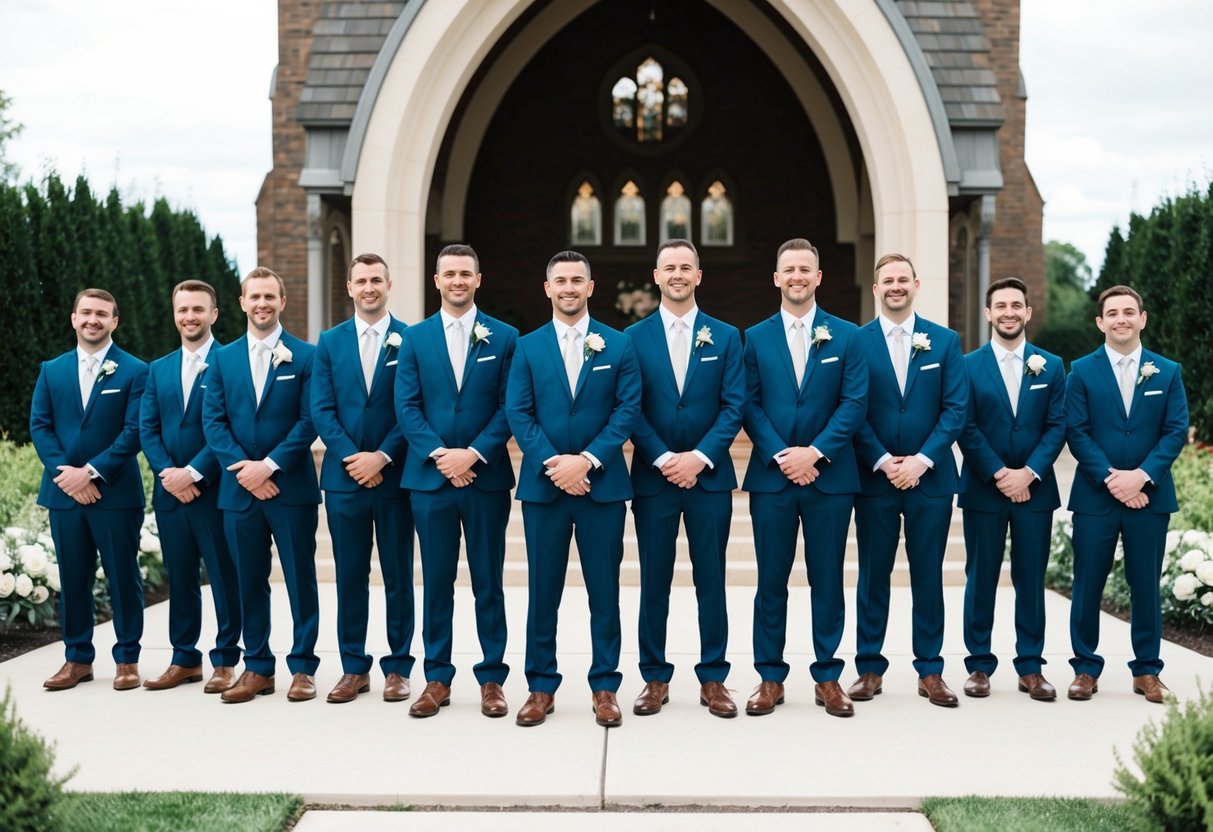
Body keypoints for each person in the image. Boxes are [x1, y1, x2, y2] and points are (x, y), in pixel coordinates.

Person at [505, 250, 641, 727]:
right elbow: (518, 413)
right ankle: (540, 687)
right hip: (545, 491)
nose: (568, 287)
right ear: (547, 288)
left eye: (576, 280)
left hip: (601, 488)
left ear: (590, 287)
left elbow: (626, 412)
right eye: (560, 280)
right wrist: (554, 464)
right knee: (544, 591)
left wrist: (585, 461)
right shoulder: (526, 346)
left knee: (604, 592)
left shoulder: (618, 345)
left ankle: (605, 686)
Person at [741, 239, 868, 718]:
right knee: (771, 581)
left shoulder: (848, 336)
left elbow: (853, 403)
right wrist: (780, 454)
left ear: (819, 278)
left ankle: (828, 677)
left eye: (805, 270)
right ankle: (769, 678)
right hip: (772, 481)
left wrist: (814, 453)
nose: (796, 276)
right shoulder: (753, 337)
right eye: (788, 270)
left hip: (829, 479)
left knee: (828, 580)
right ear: (776, 278)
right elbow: (748, 403)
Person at [396, 244, 518, 718]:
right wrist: (442, 455)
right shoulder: (415, 338)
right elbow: (407, 405)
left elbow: (511, 406)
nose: (458, 281)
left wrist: (474, 453)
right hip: (430, 481)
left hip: (485, 480)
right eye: (449, 274)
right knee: (437, 583)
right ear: (437, 280)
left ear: (478, 279)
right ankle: (437, 678)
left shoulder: (505, 337)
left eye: (466, 273)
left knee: (488, 582)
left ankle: (492, 679)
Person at [627, 239, 743, 719]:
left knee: (711, 580)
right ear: (656, 276)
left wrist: (698, 458)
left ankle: (714, 678)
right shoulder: (630, 338)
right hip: (654, 483)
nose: (677, 274)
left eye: (686, 267)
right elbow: (628, 406)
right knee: (654, 581)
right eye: (669, 267)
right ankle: (654, 678)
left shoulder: (726, 336)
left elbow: (735, 405)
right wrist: (662, 458)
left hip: (709, 480)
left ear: (699, 275)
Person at [848, 253, 968, 707]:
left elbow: (955, 409)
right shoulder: (855, 342)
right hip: (874, 479)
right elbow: (851, 408)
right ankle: (869, 668)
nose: (895, 286)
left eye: (903, 279)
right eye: (887, 281)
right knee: (873, 576)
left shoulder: (945, 341)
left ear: (916, 284)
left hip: (930, 480)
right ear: (876, 289)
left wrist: (921, 460)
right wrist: (882, 460)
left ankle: (931, 670)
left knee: (928, 575)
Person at [202, 267, 321, 704]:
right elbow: (212, 422)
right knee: (248, 581)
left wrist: (269, 466)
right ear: (241, 303)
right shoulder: (221, 358)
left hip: (291, 489)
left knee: (299, 578)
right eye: (255, 297)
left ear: (282, 302)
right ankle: (257, 667)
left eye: (270, 296)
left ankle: (304, 667)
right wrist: (244, 470)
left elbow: (310, 419)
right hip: (238, 493)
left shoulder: (306, 356)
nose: (262, 304)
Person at [1065, 285, 1187, 704]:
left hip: (1149, 499)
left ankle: (1147, 671)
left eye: (1129, 311)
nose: (1121, 318)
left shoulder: (1167, 371)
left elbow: (1175, 432)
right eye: (1112, 313)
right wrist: (1114, 480)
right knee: (1087, 584)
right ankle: (1085, 668)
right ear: (1100, 322)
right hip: (1095, 498)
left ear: (1143, 318)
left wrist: (1143, 477)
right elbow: (1075, 432)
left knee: (1145, 585)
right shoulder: (1080, 371)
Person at [32, 289, 148, 691]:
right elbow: (40, 426)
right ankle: (77, 658)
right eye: (86, 312)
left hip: (115, 494)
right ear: (74, 318)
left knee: (122, 576)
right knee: (73, 577)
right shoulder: (52, 369)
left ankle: (127, 659)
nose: (93, 320)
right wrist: (68, 476)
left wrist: (93, 473)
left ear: (115, 321)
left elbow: (135, 431)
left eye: (102, 314)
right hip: (63, 493)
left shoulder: (135, 370)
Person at [957, 276, 1066, 701]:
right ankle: (979, 665)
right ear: (988, 313)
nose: (1008, 312)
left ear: (1028, 312)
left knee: (1030, 580)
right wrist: (1000, 473)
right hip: (985, 488)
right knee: (980, 577)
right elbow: (964, 425)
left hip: (1036, 492)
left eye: (1016, 305)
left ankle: (1031, 667)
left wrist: (1029, 473)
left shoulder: (1051, 365)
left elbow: (1058, 425)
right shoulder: (966, 365)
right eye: (1000, 305)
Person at [312, 253, 414, 705]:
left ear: (389, 284)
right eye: (361, 281)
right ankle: (354, 667)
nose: (369, 287)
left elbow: (414, 406)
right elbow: (321, 408)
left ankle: (398, 668)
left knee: (397, 575)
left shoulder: (411, 339)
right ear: (350, 288)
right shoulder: (329, 343)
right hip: (343, 479)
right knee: (350, 575)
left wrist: (384, 456)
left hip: (395, 478)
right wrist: (355, 458)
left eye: (376, 279)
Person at [139, 280, 242, 694]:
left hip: (215, 491)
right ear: (174, 313)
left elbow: (228, 427)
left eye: (198, 309)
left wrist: (195, 473)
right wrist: (169, 474)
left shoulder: (230, 362)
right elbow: (148, 429)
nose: (190, 317)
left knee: (223, 576)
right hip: (170, 495)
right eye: (183, 309)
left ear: (214, 314)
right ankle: (184, 658)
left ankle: (225, 660)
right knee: (179, 579)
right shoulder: (157, 368)